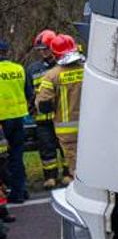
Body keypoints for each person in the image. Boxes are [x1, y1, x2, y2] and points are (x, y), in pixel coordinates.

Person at [25, 29, 72, 188]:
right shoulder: (32, 69)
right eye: (40, 50)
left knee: (65, 147)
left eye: (46, 49)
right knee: (46, 149)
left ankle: (68, 174)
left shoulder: (63, 66)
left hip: (61, 116)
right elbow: (29, 92)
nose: (43, 52)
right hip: (42, 119)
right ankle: (50, 177)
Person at [35, 35, 85, 182]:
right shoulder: (88, 70)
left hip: (67, 130)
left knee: (76, 167)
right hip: (92, 126)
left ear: (55, 54)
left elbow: (43, 106)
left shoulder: (52, 76)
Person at [0, 39, 35, 205]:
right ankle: (19, 192)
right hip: (18, 119)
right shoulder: (19, 69)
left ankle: (6, 192)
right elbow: (29, 93)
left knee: (2, 159)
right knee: (16, 156)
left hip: (1, 121)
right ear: (6, 52)